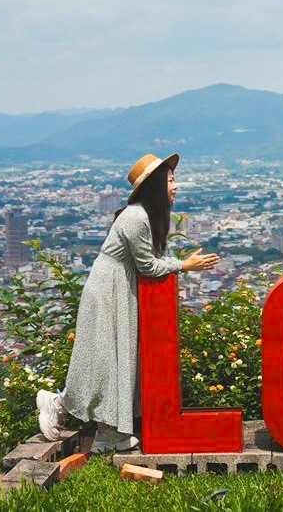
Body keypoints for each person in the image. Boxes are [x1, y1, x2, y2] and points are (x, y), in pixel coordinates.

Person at [35, 152, 219, 452]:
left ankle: (109, 433)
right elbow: (148, 266)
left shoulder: (145, 215)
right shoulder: (136, 217)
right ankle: (57, 403)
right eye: (171, 180)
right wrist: (184, 265)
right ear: (155, 186)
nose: (176, 186)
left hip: (119, 287)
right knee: (105, 359)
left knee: (115, 359)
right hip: (109, 289)